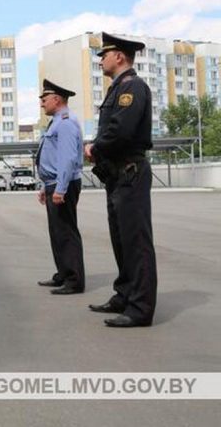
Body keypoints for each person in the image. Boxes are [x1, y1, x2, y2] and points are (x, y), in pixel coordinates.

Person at [85, 32, 157, 328]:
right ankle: (125, 295)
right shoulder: (118, 88)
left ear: (119, 56)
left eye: (104, 55)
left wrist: (95, 148)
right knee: (121, 241)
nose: (101, 60)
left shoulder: (132, 87)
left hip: (130, 172)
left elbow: (121, 130)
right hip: (118, 175)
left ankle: (140, 309)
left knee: (136, 243)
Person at [35, 79, 85, 295]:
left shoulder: (65, 122)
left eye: (44, 99)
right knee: (57, 232)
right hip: (53, 182)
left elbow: (67, 158)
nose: (42, 103)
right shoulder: (57, 121)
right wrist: (46, 185)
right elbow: (53, 158)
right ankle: (63, 274)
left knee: (66, 233)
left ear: (56, 99)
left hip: (62, 184)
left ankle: (74, 281)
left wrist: (61, 188)